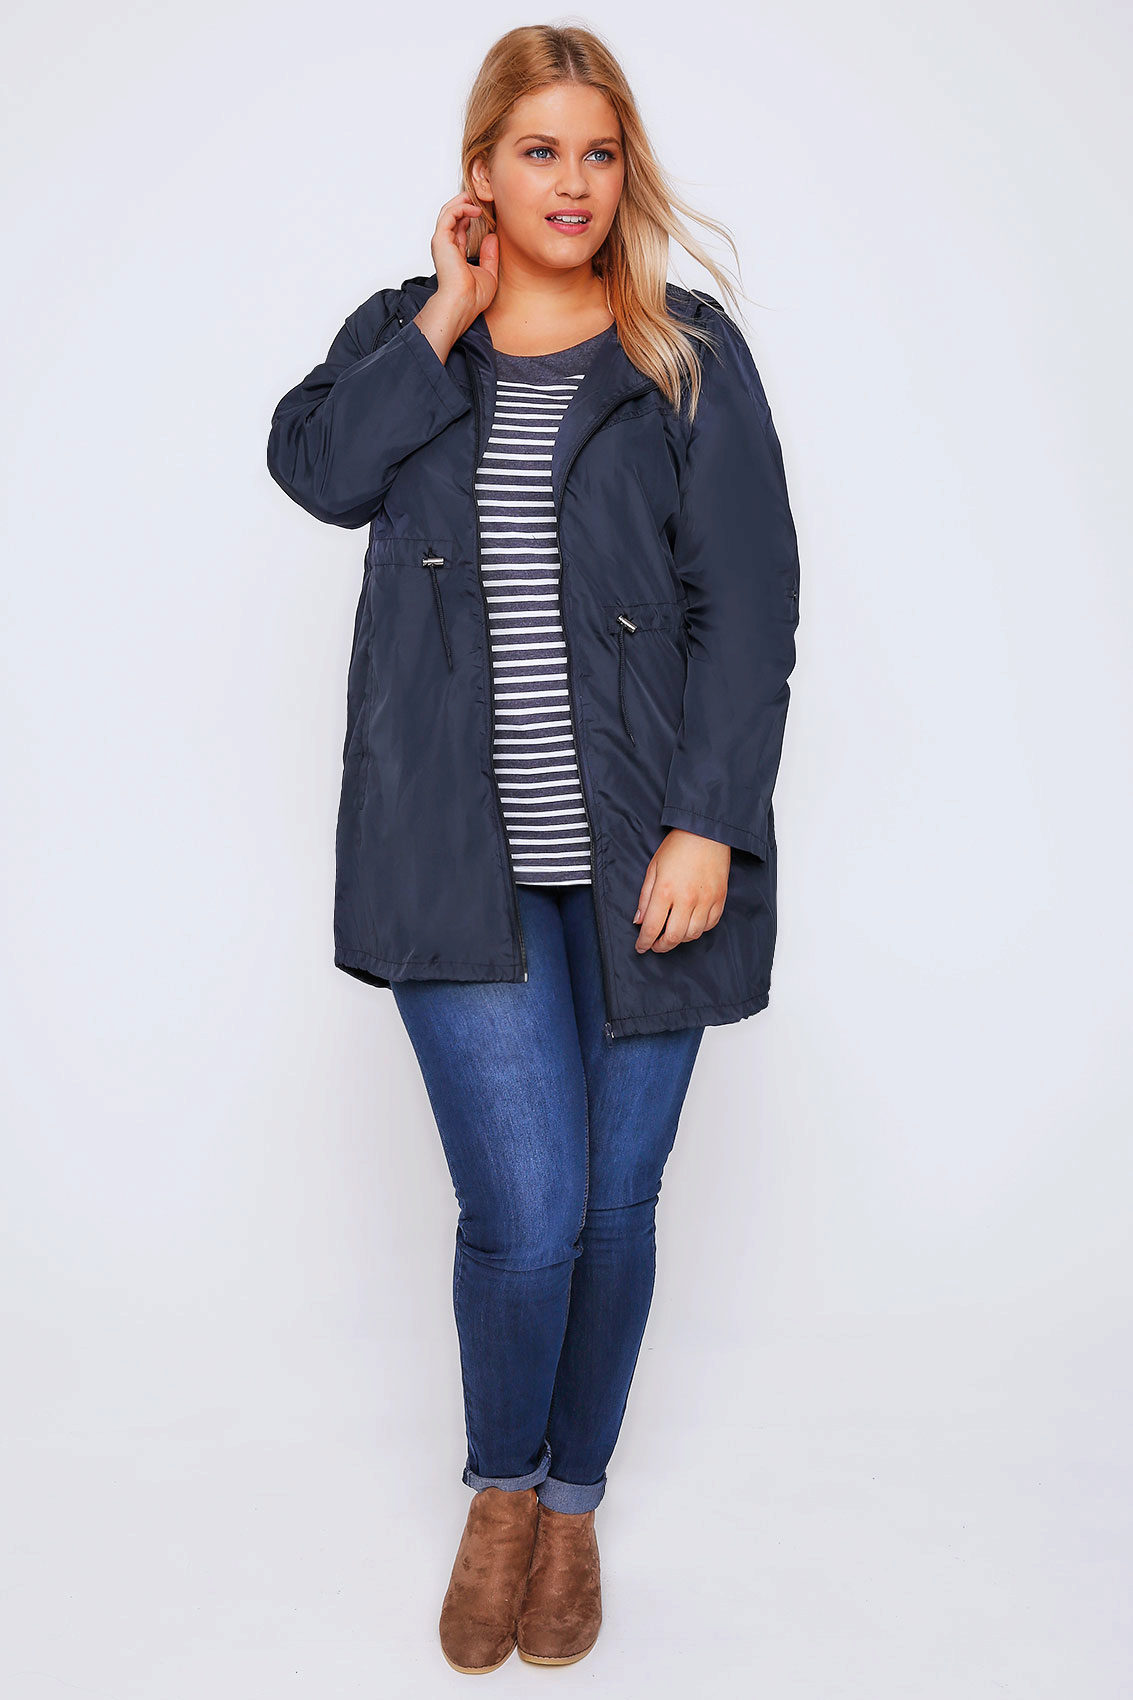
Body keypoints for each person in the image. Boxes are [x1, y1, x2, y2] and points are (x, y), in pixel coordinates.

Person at [266, 22, 801, 1677]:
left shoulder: (683, 352)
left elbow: (749, 608)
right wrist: (443, 310)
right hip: (453, 863)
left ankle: (572, 1506)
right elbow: (318, 471)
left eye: (597, 151)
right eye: (538, 151)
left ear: (624, 168)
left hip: (650, 857)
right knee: (526, 1212)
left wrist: (707, 821)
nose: (572, 182)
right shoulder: (401, 337)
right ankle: (498, 1494)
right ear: (480, 172)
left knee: (615, 1209)